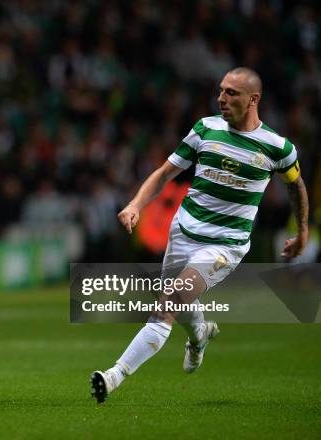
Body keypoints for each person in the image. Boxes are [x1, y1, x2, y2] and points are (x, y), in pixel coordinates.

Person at [90, 67, 309, 403]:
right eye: (221, 91)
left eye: (231, 93)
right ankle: (200, 336)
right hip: (183, 232)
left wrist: (303, 229)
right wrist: (135, 205)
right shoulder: (205, 129)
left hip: (224, 245)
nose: (221, 98)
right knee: (178, 301)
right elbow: (165, 173)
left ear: (254, 99)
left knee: (169, 303)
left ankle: (113, 376)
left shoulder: (278, 148)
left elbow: (297, 186)